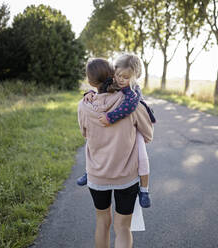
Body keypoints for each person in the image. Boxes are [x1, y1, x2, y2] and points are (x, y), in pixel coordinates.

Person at [77, 58, 154, 247]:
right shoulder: (132, 103)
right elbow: (148, 135)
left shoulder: (84, 105)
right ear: (114, 75)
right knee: (123, 227)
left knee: (102, 223)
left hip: (97, 175)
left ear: (90, 81)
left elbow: (84, 133)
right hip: (126, 177)